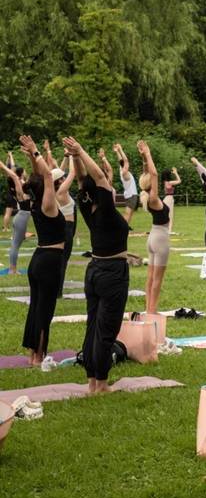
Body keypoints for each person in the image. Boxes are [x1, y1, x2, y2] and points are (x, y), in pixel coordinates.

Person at [63, 136, 130, 394]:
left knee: (93, 325)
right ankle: (100, 383)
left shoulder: (85, 204)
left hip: (95, 271)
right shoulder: (106, 209)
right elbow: (99, 177)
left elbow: (84, 180)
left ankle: (92, 378)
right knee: (106, 329)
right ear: (101, 192)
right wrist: (79, 151)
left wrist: (76, 157)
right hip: (112, 273)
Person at [19, 135, 65, 366]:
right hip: (49, 261)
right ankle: (39, 357)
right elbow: (46, 175)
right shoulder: (48, 205)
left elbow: (40, 176)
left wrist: (31, 156)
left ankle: (32, 355)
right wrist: (36, 151)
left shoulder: (36, 203)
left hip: (38, 260)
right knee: (45, 310)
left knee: (35, 308)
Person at [137, 140, 170, 314]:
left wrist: (144, 157)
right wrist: (148, 153)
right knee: (157, 279)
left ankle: (148, 309)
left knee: (150, 278)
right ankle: (152, 310)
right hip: (160, 239)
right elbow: (154, 174)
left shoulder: (147, 196)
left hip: (152, 238)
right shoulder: (153, 199)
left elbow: (148, 173)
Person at [52, 156, 77, 296]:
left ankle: (56, 289)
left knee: (60, 259)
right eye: (62, 178)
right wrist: (73, 156)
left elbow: (59, 171)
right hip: (67, 227)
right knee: (63, 261)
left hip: (63, 226)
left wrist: (66, 157)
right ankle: (58, 292)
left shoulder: (55, 189)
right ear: (60, 181)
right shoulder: (62, 191)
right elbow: (72, 173)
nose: (64, 178)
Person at [0, 159, 30, 274]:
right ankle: (12, 269)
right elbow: (13, 175)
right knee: (15, 245)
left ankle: (13, 268)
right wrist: (3, 166)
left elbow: (14, 175)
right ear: (20, 175)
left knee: (16, 243)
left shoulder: (22, 184)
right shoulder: (19, 187)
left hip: (21, 217)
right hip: (22, 217)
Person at [113, 143, 139, 225]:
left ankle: (126, 227)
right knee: (128, 213)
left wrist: (117, 152)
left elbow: (121, 161)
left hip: (130, 194)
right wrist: (120, 149)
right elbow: (125, 161)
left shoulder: (122, 170)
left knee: (129, 213)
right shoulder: (124, 172)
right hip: (131, 195)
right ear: (125, 166)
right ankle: (123, 227)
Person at [161, 167, 181, 234]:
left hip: (166, 198)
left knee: (166, 215)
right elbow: (179, 181)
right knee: (170, 215)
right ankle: (169, 230)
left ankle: (165, 229)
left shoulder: (164, 182)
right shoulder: (169, 182)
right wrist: (176, 173)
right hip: (169, 198)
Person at [3, 151, 18, 231]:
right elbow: (13, 166)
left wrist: (8, 158)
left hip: (10, 194)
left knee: (8, 212)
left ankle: (6, 227)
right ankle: (5, 228)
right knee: (8, 212)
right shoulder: (12, 176)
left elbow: (6, 166)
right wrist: (11, 156)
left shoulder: (8, 176)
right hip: (11, 195)